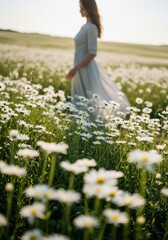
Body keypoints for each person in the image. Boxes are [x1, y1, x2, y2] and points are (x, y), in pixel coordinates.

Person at [66, 0, 130, 117]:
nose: (80, 10)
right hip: (80, 65)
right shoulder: (85, 26)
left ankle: (94, 122)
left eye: (82, 8)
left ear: (88, 8)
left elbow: (92, 53)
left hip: (85, 67)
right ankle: (82, 123)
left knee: (90, 95)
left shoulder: (91, 28)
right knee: (83, 97)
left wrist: (75, 68)